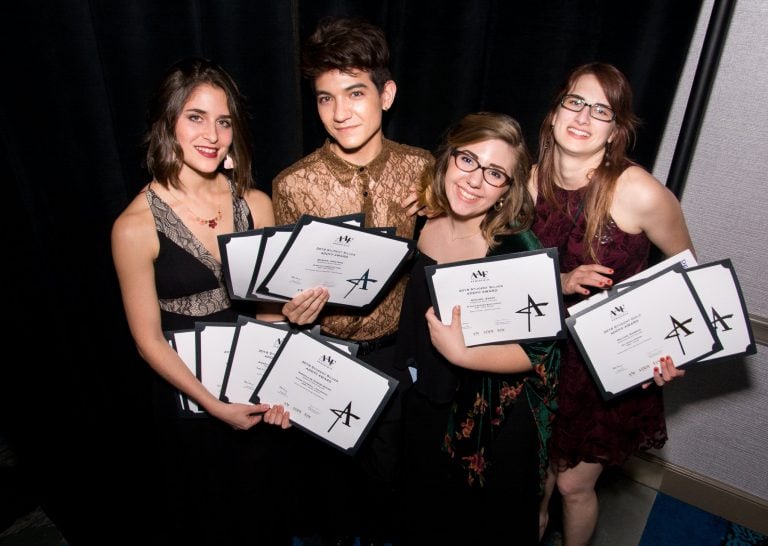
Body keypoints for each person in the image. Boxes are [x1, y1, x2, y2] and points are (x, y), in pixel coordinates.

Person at [111, 57, 293, 546]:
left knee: (265, 510)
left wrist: (276, 386)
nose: (212, 133)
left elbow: (270, 309)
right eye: (195, 117)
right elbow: (147, 340)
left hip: (253, 386)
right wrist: (213, 406)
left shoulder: (256, 203)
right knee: (209, 515)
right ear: (167, 123)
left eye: (224, 120)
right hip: (188, 397)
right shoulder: (134, 227)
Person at [271, 16, 434, 544]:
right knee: (329, 483)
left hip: (396, 351)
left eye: (355, 93)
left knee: (388, 475)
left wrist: (442, 207)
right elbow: (277, 293)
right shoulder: (292, 185)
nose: (340, 113)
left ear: (386, 95)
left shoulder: (424, 168)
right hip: (327, 352)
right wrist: (289, 313)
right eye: (324, 98)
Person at [530, 62, 694, 546]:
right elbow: (505, 271)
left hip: (607, 368)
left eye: (600, 110)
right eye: (575, 102)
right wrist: (559, 281)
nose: (583, 117)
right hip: (540, 360)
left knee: (572, 485)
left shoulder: (638, 190)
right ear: (557, 110)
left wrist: (673, 350)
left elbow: (689, 279)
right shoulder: (529, 179)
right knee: (532, 484)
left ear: (616, 129)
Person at [394, 112, 560, 546]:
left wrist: (464, 354)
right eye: (467, 160)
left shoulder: (515, 246)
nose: (475, 180)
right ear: (448, 158)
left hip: (487, 414)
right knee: (422, 507)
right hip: (423, 395)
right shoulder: (421, 221)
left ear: (508, 189)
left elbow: (542, 351)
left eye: (495, 173)